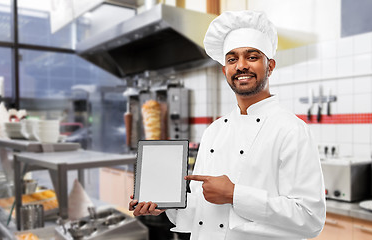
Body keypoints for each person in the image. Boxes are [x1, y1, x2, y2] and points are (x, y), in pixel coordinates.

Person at [129, 10, 326, 240]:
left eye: (252, 57)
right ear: (225, 70)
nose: (241, 65)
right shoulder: (215, 131)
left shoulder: (292, 130)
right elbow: (201, 213)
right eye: (232, 59)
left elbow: (311, 218)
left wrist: (235, 194)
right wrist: (165, 204)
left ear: (270, 66)